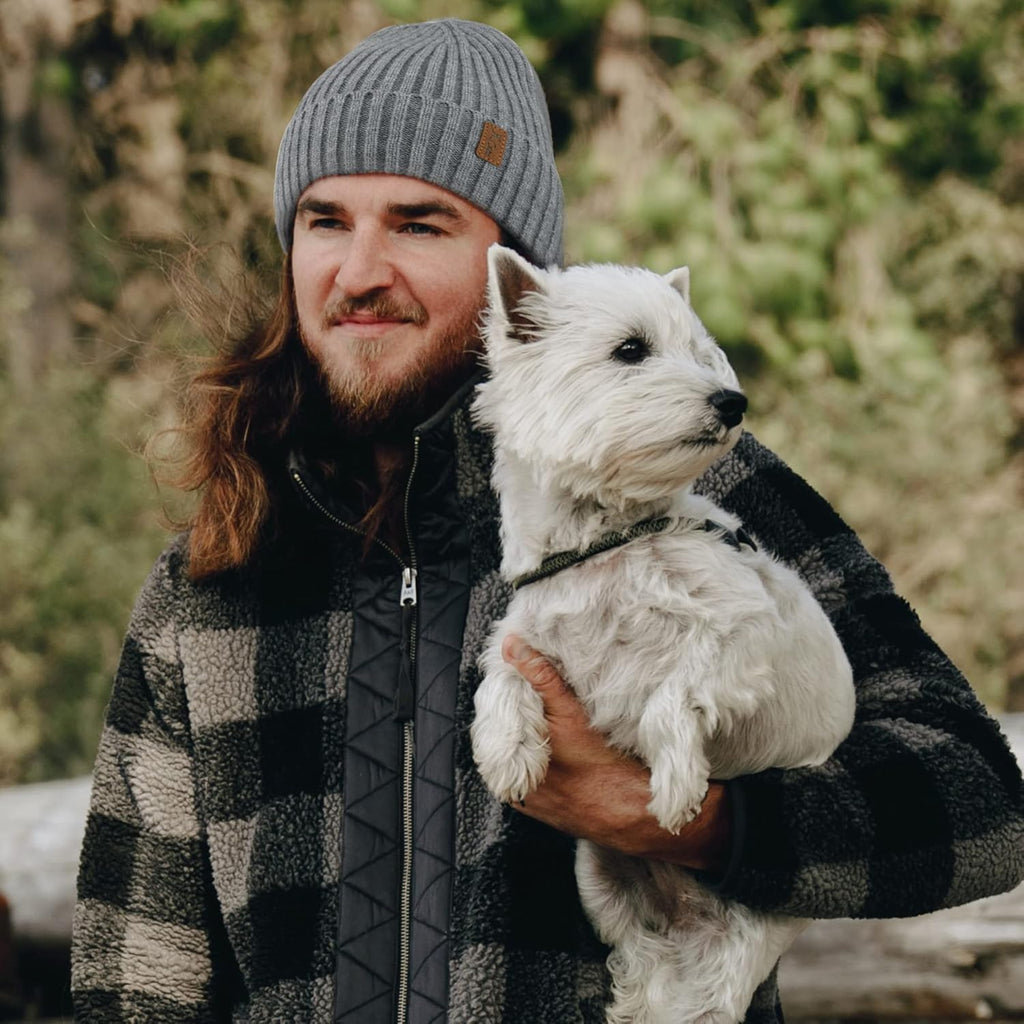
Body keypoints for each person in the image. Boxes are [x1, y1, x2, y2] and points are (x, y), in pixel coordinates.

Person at [71, 18, 1024, 1024]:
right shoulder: (213, 578)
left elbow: (981, 806)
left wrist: (698, 824)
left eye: (418, 223)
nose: (357, 271)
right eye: (324, 221)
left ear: (515, 275)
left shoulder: (695, 489)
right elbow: (135, 977)